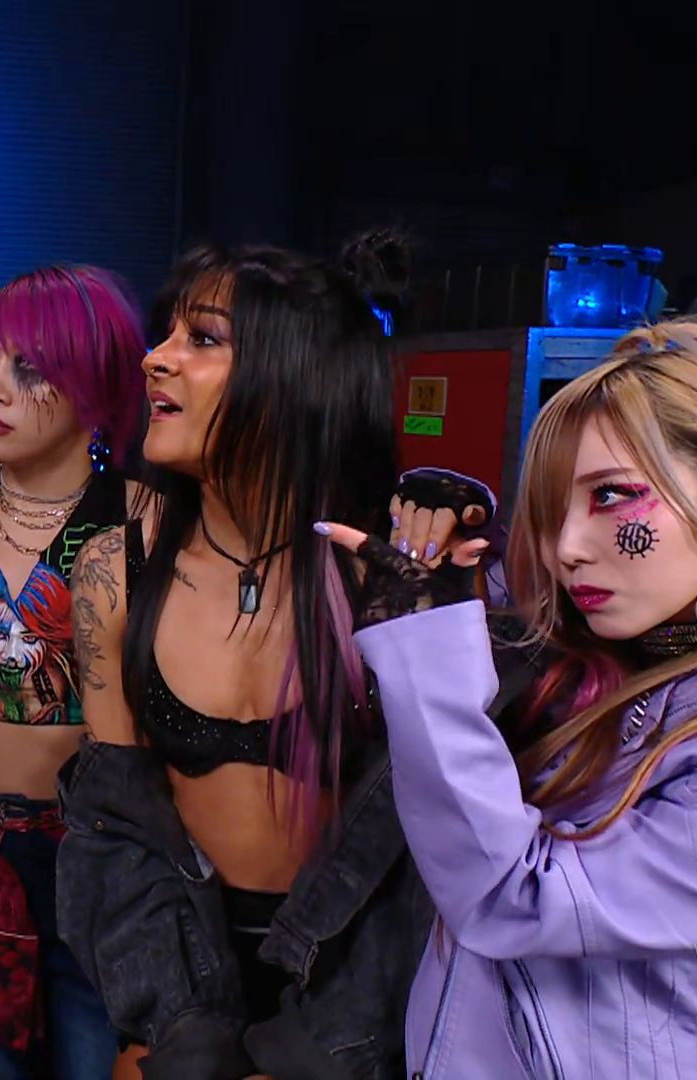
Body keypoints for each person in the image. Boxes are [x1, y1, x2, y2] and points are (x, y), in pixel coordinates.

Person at [314, 319, 697, 1077]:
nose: (567, 547)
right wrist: (452, 575)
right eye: (554, 507)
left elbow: (512, 898)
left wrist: (426, 651)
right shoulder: (640, 639)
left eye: (612, 496)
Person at [58, 236, 459, 1080]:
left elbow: (424, 863)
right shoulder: (114, 571)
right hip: (179, 969)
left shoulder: (382, 589)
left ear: (292, 378)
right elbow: (116, 830)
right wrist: (167, 1030)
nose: (155, 358)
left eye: (202, 338)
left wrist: (312, 1053)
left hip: (352, 998)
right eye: (167, 332)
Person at [0, 265, 145, 1080]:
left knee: (91, 1057)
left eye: (32, 367)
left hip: (93, 856)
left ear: (96, 383)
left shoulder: (145, 521)